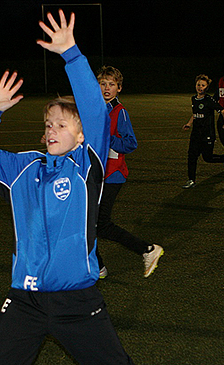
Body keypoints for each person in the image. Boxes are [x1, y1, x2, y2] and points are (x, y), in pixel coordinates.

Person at [0, 11, 174, 365]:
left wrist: (71, 55)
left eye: (61, 124)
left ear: (80, 135)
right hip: (24, 301)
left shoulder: (86, 165)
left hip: (77, 300)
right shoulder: (22, 167)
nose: (51, 130)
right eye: (48, 124)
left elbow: (95, 111)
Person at [95, 65, 163, 279]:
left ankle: (147, 250)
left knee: (100, 224)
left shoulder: (119, 112)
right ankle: (97, 267)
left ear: (119, 88)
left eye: (111, 85)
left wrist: (107, 139)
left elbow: (131, 144)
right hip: (94, 174)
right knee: (88, 223)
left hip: (113, 176)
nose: (107, 88)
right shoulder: (95, 109)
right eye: (103, 83)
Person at [181, 74, 224, 189]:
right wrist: (189, 124)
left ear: (207, 87)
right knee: (191, 156)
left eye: (203, 85)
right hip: (196, 134)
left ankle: (223, 158)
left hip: (207, 134)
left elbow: (223, 111)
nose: (200, 87)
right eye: (198, 84)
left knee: (207, 158)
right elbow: (195, 114)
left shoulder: (209, 100)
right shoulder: (194, 99)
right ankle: (191, 180)